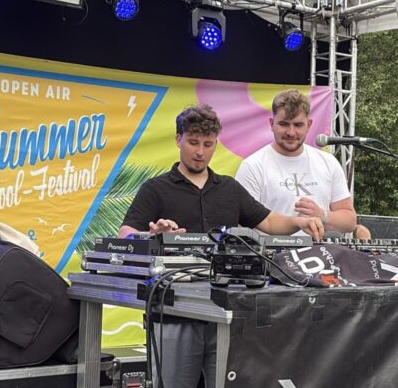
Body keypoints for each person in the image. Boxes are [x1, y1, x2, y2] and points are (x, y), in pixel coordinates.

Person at [118, 103, 323, 388]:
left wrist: (298, 223)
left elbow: (270, 222)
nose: (200, 152)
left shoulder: (229, 188)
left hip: (225, 311)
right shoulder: (156, 188)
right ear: (178, 139)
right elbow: (125, 232)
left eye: (208, 144)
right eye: (193, 143)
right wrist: (152, 235)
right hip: (174, 312)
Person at [235, 89, 357, 237]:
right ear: (271, 124)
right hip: (270, 257)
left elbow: (350, 221)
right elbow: (242, 224)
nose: (291, 132)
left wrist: (323, 215)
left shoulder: (329, 162)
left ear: (309, 124)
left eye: (298, 125)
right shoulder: (252, 166)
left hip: (321, 255)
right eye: (284, 124)